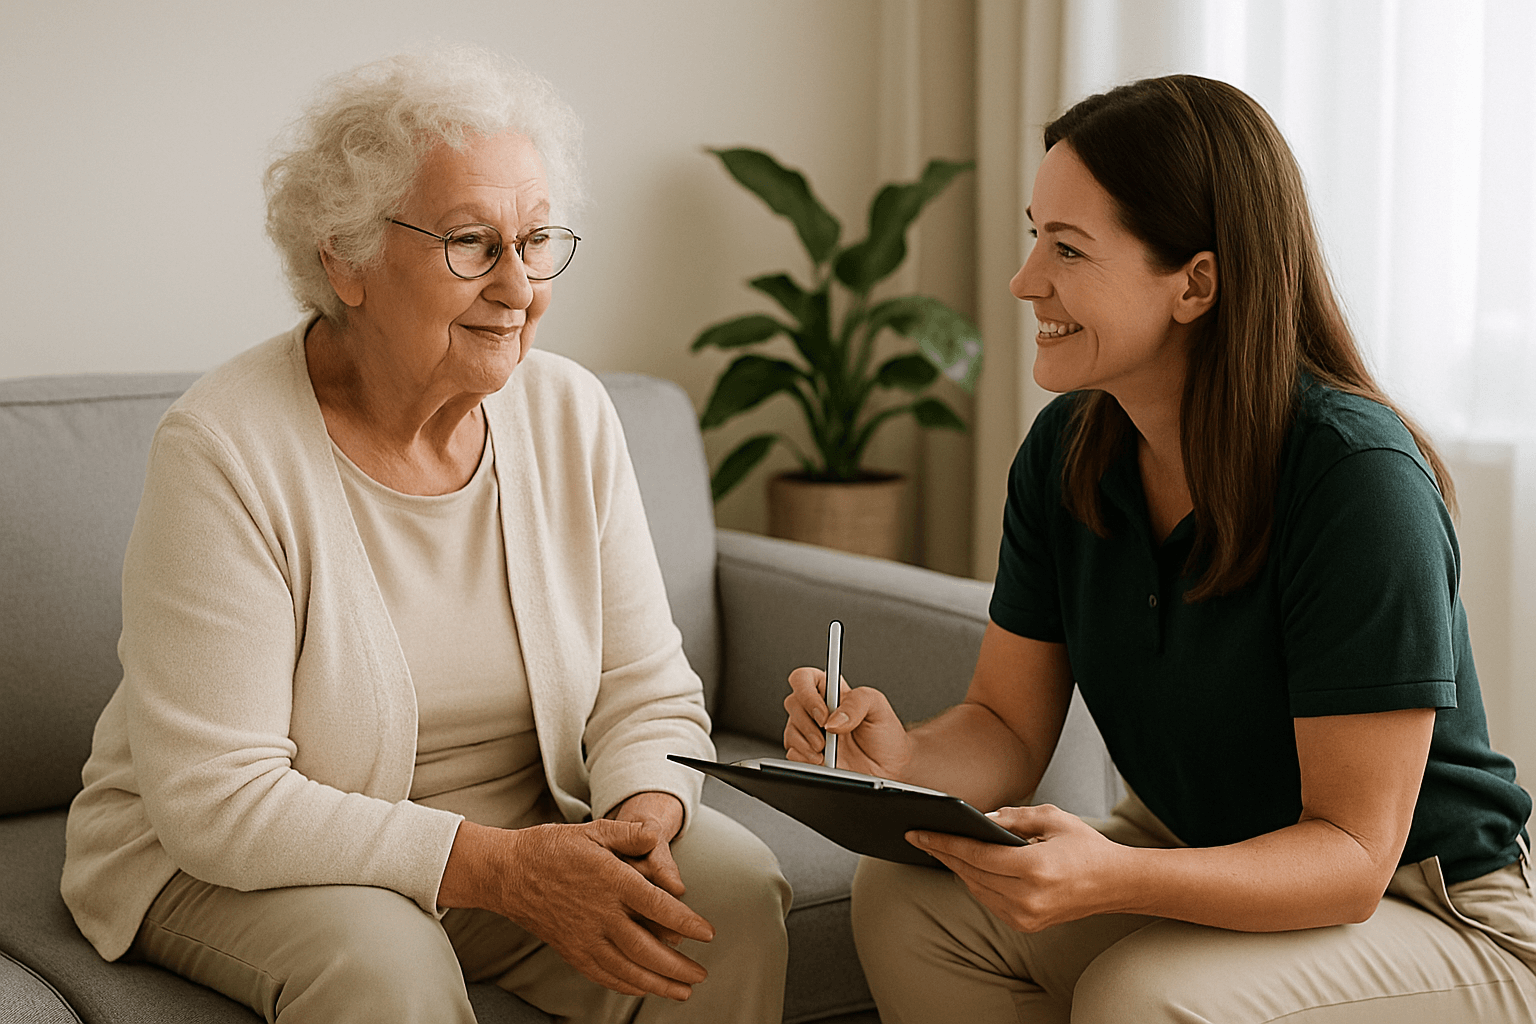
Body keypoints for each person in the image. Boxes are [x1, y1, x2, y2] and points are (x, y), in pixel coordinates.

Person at [783, 74, 1536, 1022]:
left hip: (1427, 906)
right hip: (1195, 853)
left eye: (1067, 249)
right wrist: (897, 755)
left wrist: (1117, 874)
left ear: (1196, 284)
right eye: (1034, 235)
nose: (1024, 281)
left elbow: (1349, 856)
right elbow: (1009, 733)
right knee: (911, 899)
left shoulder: (1356, 481)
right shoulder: (1066, 456)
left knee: (1143, 996)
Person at [61, 47, 790, 1024]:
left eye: (536, 240)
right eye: (470, 243)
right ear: (345, 258)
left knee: (726, 891)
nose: (520, 287)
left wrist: (639, 826)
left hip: (524, 834)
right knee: (386, 967)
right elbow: (216, 798)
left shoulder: (571, 413)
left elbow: (644, 690)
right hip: (244, 857)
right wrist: (496, 867)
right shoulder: (223, 448)